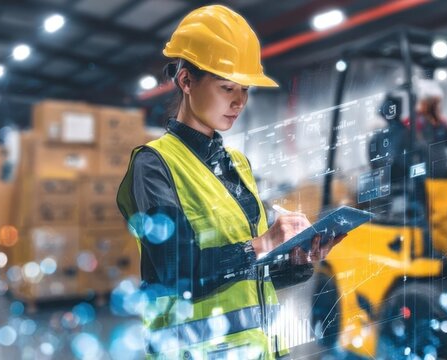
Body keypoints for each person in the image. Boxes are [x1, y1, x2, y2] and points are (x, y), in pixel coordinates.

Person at [116, 5, 344, 359]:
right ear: (186, 81)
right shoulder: (154, 164)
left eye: (245, 89)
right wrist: (261, 243)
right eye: (227, 88)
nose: (239, 101)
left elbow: (249, 278)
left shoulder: (237, 164)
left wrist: (295, 259)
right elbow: (176, 274)